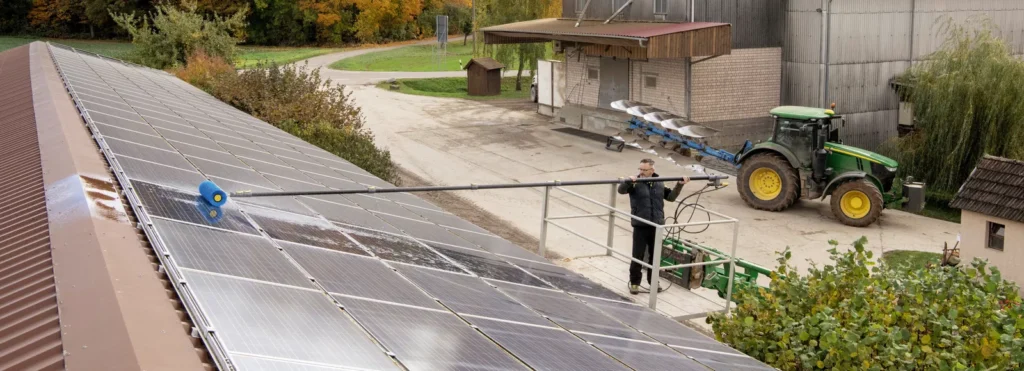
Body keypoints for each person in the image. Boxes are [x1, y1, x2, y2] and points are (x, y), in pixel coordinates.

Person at [618, 158, 688, 295]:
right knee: (637, 255)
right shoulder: (635, 182)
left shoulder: (659, 183)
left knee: (655, 257)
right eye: (640, 169)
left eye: (645, 170)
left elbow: (671, 197)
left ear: (652, 170)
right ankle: (634, 283)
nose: (642, 172)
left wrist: (679, 185)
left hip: (657, 225)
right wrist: (627, 181)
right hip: (640, 225)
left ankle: (653, 281)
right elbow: (621, 190)